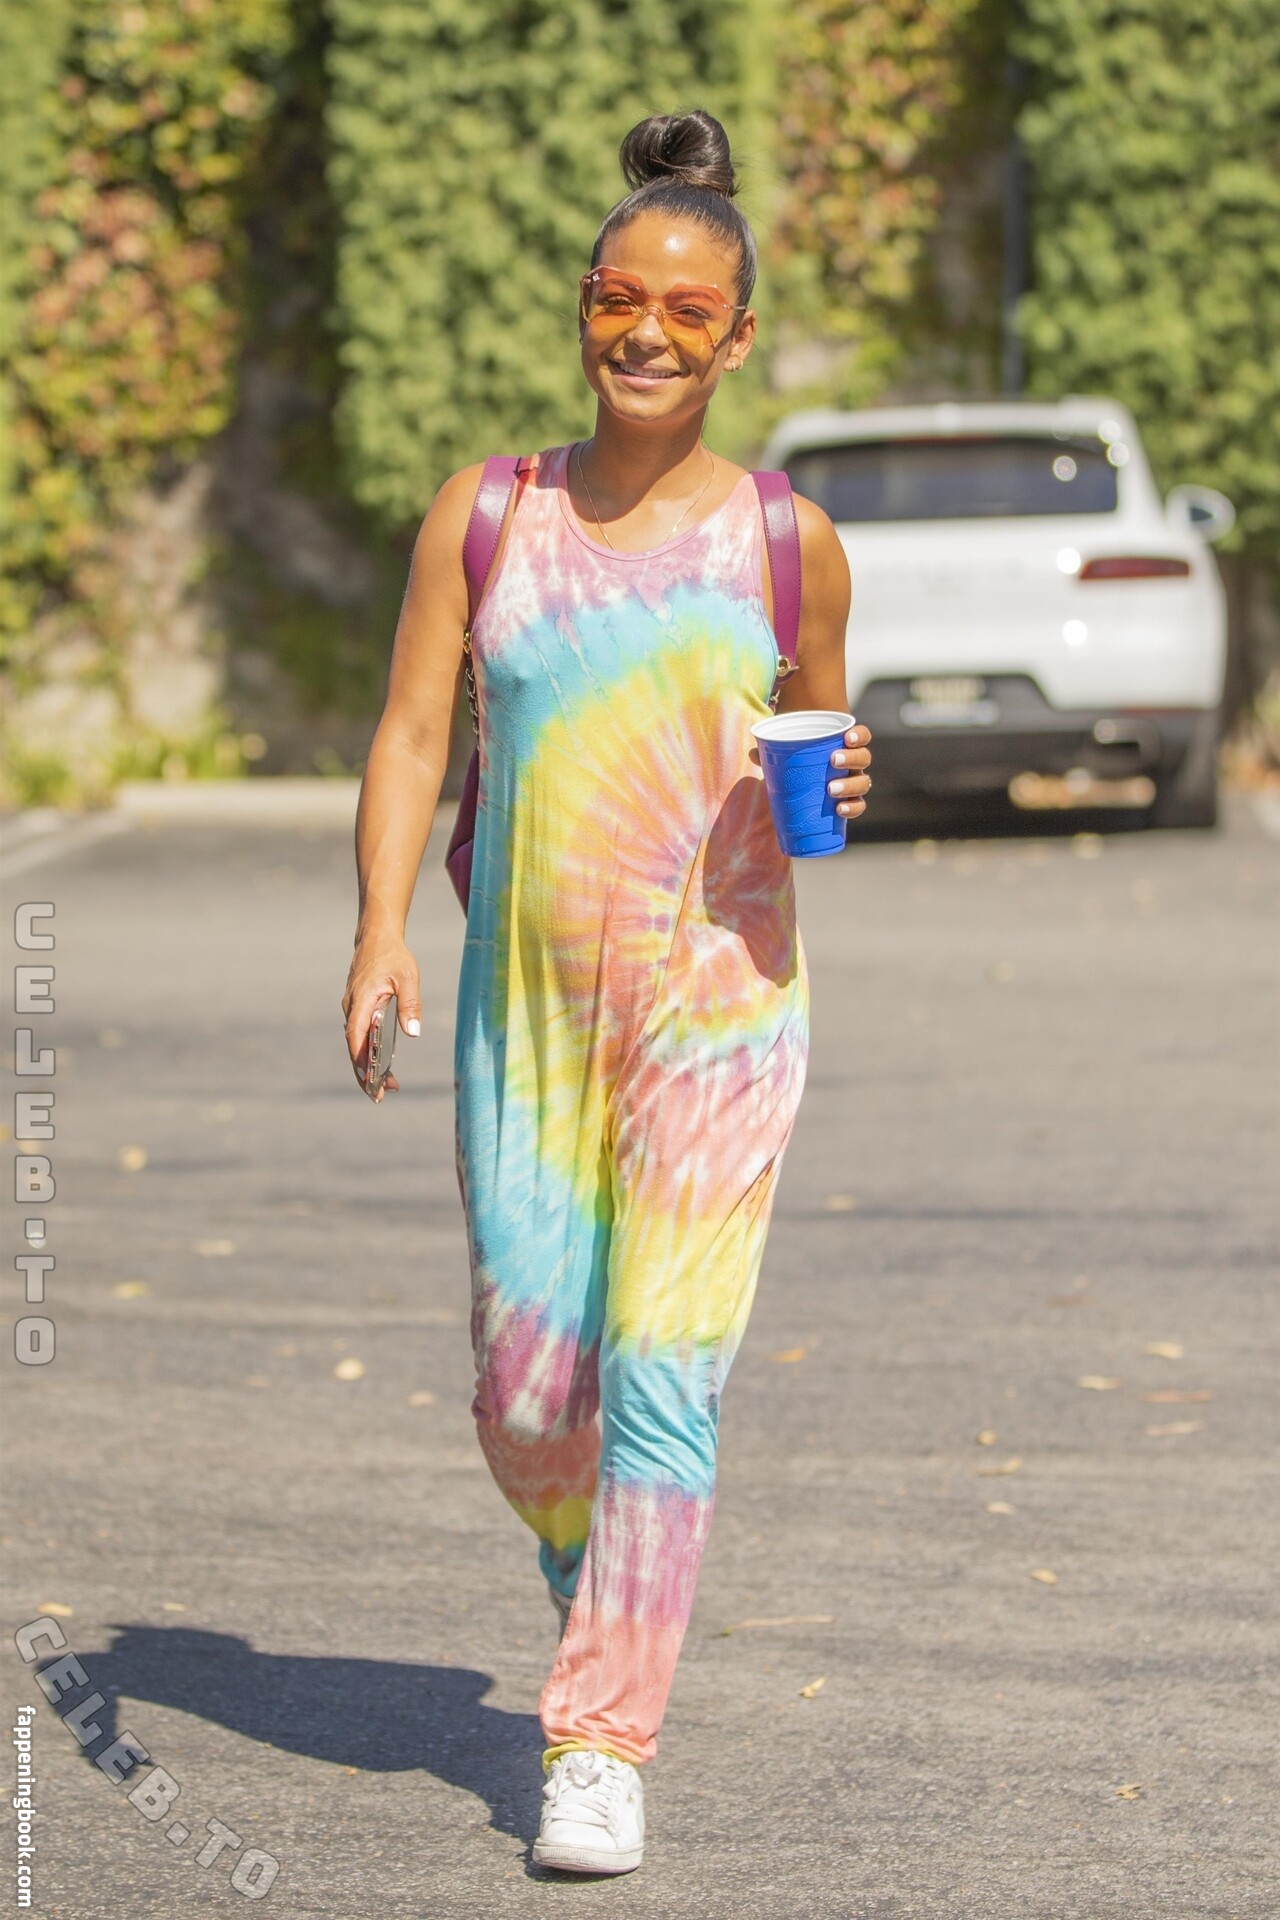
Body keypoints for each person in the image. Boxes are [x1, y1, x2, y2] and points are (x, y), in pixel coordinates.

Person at [342, 108, 872, 1876]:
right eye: (615, 299)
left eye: (686, 311)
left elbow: (825, 736)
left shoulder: (791, 542)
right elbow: (411, 733)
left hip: (722, 1011)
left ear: (738, 338)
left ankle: (599, 1740)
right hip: (530, 1021)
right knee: (527, 1399)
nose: (646, 333)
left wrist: (849, 780)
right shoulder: (489, 515)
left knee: (661, 1369)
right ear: (585, 308)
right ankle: (595, 1576)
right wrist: (380, 931)